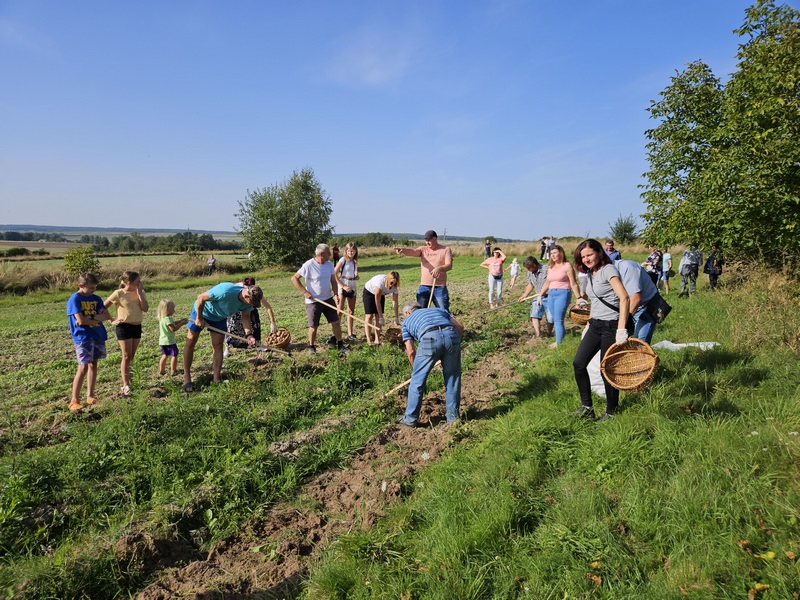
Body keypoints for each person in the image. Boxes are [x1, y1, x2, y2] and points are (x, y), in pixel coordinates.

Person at [572, 239, 630, 421]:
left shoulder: (608, 270)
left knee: (607, 370)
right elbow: (595, 296)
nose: (586, 259)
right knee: (579, 363)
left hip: (610, 326)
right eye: (583, 256)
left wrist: (621, 329)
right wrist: (582, 301)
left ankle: (611, 412)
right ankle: (587, 406)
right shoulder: (591, 273)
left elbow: (625, 298)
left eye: (589, 254)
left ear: (599, 252)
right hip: (595, 324)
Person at [183, 282, 263, 391]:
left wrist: (249, 335)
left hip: (219, 318)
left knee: (218, 345)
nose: (251, 305)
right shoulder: (225, 291)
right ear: (246, 296)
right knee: (191, 341)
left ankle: (216, 379)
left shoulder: (248, 303)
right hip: (202, 312)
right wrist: (199, 318)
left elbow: (245, 318)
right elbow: (200, 298)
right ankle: (187, 378)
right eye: (251, 302)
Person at [398, 301, 464, 427]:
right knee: (453, 379)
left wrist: (416, 368)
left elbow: (411, 351)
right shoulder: (439, 310)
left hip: (429, 339)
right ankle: (453, 418)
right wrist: (454, 345)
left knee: (417, 381)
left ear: (407, 313)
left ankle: (410, 419)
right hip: (452, 335)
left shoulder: (406, 322)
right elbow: (460, 327)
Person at [67, 272, 114, 412]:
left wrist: (91, 317)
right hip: (83, 337)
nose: (94, 290)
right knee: (83, 367)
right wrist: (96, 317)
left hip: (97, 334)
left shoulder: (96, 298)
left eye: (95, 287)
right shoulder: (74, 299)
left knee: (94, 364)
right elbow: (80, 322)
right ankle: (74, 401)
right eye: (91, 288)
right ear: (81, 285)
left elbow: (106, 315)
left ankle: (90, 396)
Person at [291, 243, 349, 355]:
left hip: (327, 298)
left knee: (336, 322)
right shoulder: (309, 265)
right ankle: (311, 347)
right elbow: (294, 279)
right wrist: (305, 292)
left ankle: (340, 345)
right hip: (314, 301)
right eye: (328, 253)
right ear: (321, 254)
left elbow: (333, 280)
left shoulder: (329, 264)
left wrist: (336, 294)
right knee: (313, 326)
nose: (331, 254)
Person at [104, 271, 149, 397]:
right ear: (129, 283)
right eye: (137, 282)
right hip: (124, 326)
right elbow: (104, 306)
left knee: (132, 356)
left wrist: (140, 294)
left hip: (136, 326)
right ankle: (125, 384)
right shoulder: (119, 293)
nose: (140, 283)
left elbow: (145, 308)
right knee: (126, 356)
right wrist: (112, 320)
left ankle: (131, 381)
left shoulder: (140, 292)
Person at [536, 244, 583, 348]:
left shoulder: (567, 265)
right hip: (551, 294)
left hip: (563, 293)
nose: (552, 255)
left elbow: (573, 283)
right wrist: (540, 295)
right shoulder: (551, 268)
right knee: (554, 317)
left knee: (558, 319)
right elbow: (547, 283)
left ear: (561, 253)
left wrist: (579, 298)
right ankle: (561, 337)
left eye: (555, 253)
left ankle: (558, 343)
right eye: (551, 253)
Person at [395, 230, 453, 311]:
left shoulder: (445, 250)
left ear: (435, 239)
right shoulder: (423, 249)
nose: (427, 242)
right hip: (424, 286)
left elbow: (449, 265)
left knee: (443, 311)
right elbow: (413, 251)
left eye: (429, 240)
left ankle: (445, 323)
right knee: (420, 311)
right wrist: (403, 250)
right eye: (426, 240)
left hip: (440, 287)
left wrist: (439, 268)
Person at [224, 277, 278, 358]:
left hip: (250, 310)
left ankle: (257, 345)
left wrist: (273, 323)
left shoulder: (255, 292)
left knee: (255, 326)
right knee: (231, 329)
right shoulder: (236, 288)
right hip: (236, 311)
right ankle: (227, 348)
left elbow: (268, 307)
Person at [614, 259, 659, 344]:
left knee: (640, 343)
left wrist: (623, 325)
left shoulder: (628, 268)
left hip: (647, 307)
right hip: (629, 307)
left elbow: (636, 298)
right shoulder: (607, 272)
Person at [363, 271, 401, 345]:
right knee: (369, 316)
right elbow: (377, 301)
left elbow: (395, 301)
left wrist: (396, 317)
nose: (392, 282)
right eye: (391, 280)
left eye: (394, 280)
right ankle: (368, 339)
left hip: (381, 294)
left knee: (377, 316)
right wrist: (381, 317)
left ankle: (377, 339)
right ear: (388, 278)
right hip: (369, 292)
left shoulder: (395, 286)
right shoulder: (381, 282)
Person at [518, 256, 550, 339]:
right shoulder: (530, 272)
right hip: (538, 296)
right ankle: (538, 335)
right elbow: (531, 284)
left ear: (535, 265)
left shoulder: (547, 270)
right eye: (527, 268)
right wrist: (525, 295)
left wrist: (549, 290)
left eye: (529, 267)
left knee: (550, 318)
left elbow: (554, 282)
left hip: (550, 297)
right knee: (534, 314)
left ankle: (549, 334)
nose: (528, 269)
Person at [335, 242, 359, 341]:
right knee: (339, 310)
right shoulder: (342, 260)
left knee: (350, 311)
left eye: (352, 251)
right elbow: (334, 274)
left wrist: (356, 276)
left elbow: (354, 273)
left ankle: (350, 334)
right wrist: (343, 286)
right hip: (343, 283)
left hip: (352, 284)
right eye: (348, 251)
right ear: (346, 251)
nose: (350, 252)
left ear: (355, 251)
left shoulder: (355, 261)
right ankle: (337, 334)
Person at [157, 299, 188, 376]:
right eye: (172, 309)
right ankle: (173, 370)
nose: (174, 310)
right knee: (174, 355)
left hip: (162, 341)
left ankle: (162, 370)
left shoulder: (162, 318)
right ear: (167, 310)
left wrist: (180, 321)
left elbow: (173, 323)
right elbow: (173, 329)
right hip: (169, 341)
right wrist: (181, 324)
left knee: (165, 355)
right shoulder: (168, 319)